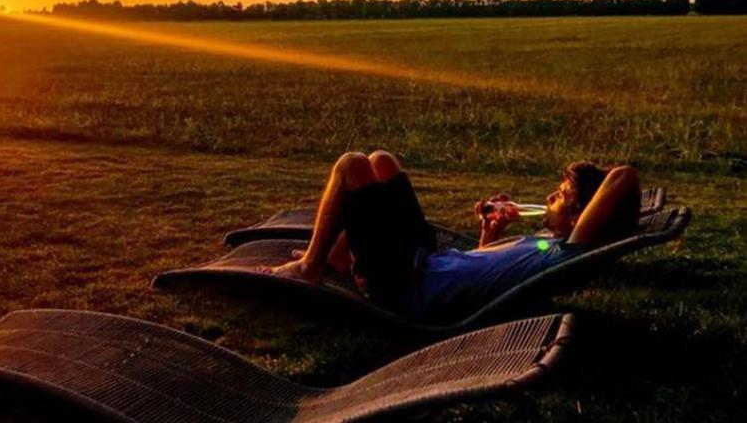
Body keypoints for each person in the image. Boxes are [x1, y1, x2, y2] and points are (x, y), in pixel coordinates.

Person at [262, 150, 641, 319]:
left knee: (351, 167)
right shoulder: (547, 245)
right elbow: (481, 271)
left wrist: (586, 205)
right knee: (382, 162)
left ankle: (312, 266)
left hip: (406, 287)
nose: (548, 198)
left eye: (560, 197)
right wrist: (491, 233)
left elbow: (623, 175)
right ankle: (339, 257)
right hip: (424, 262)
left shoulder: (570, 251)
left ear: (581, 216)